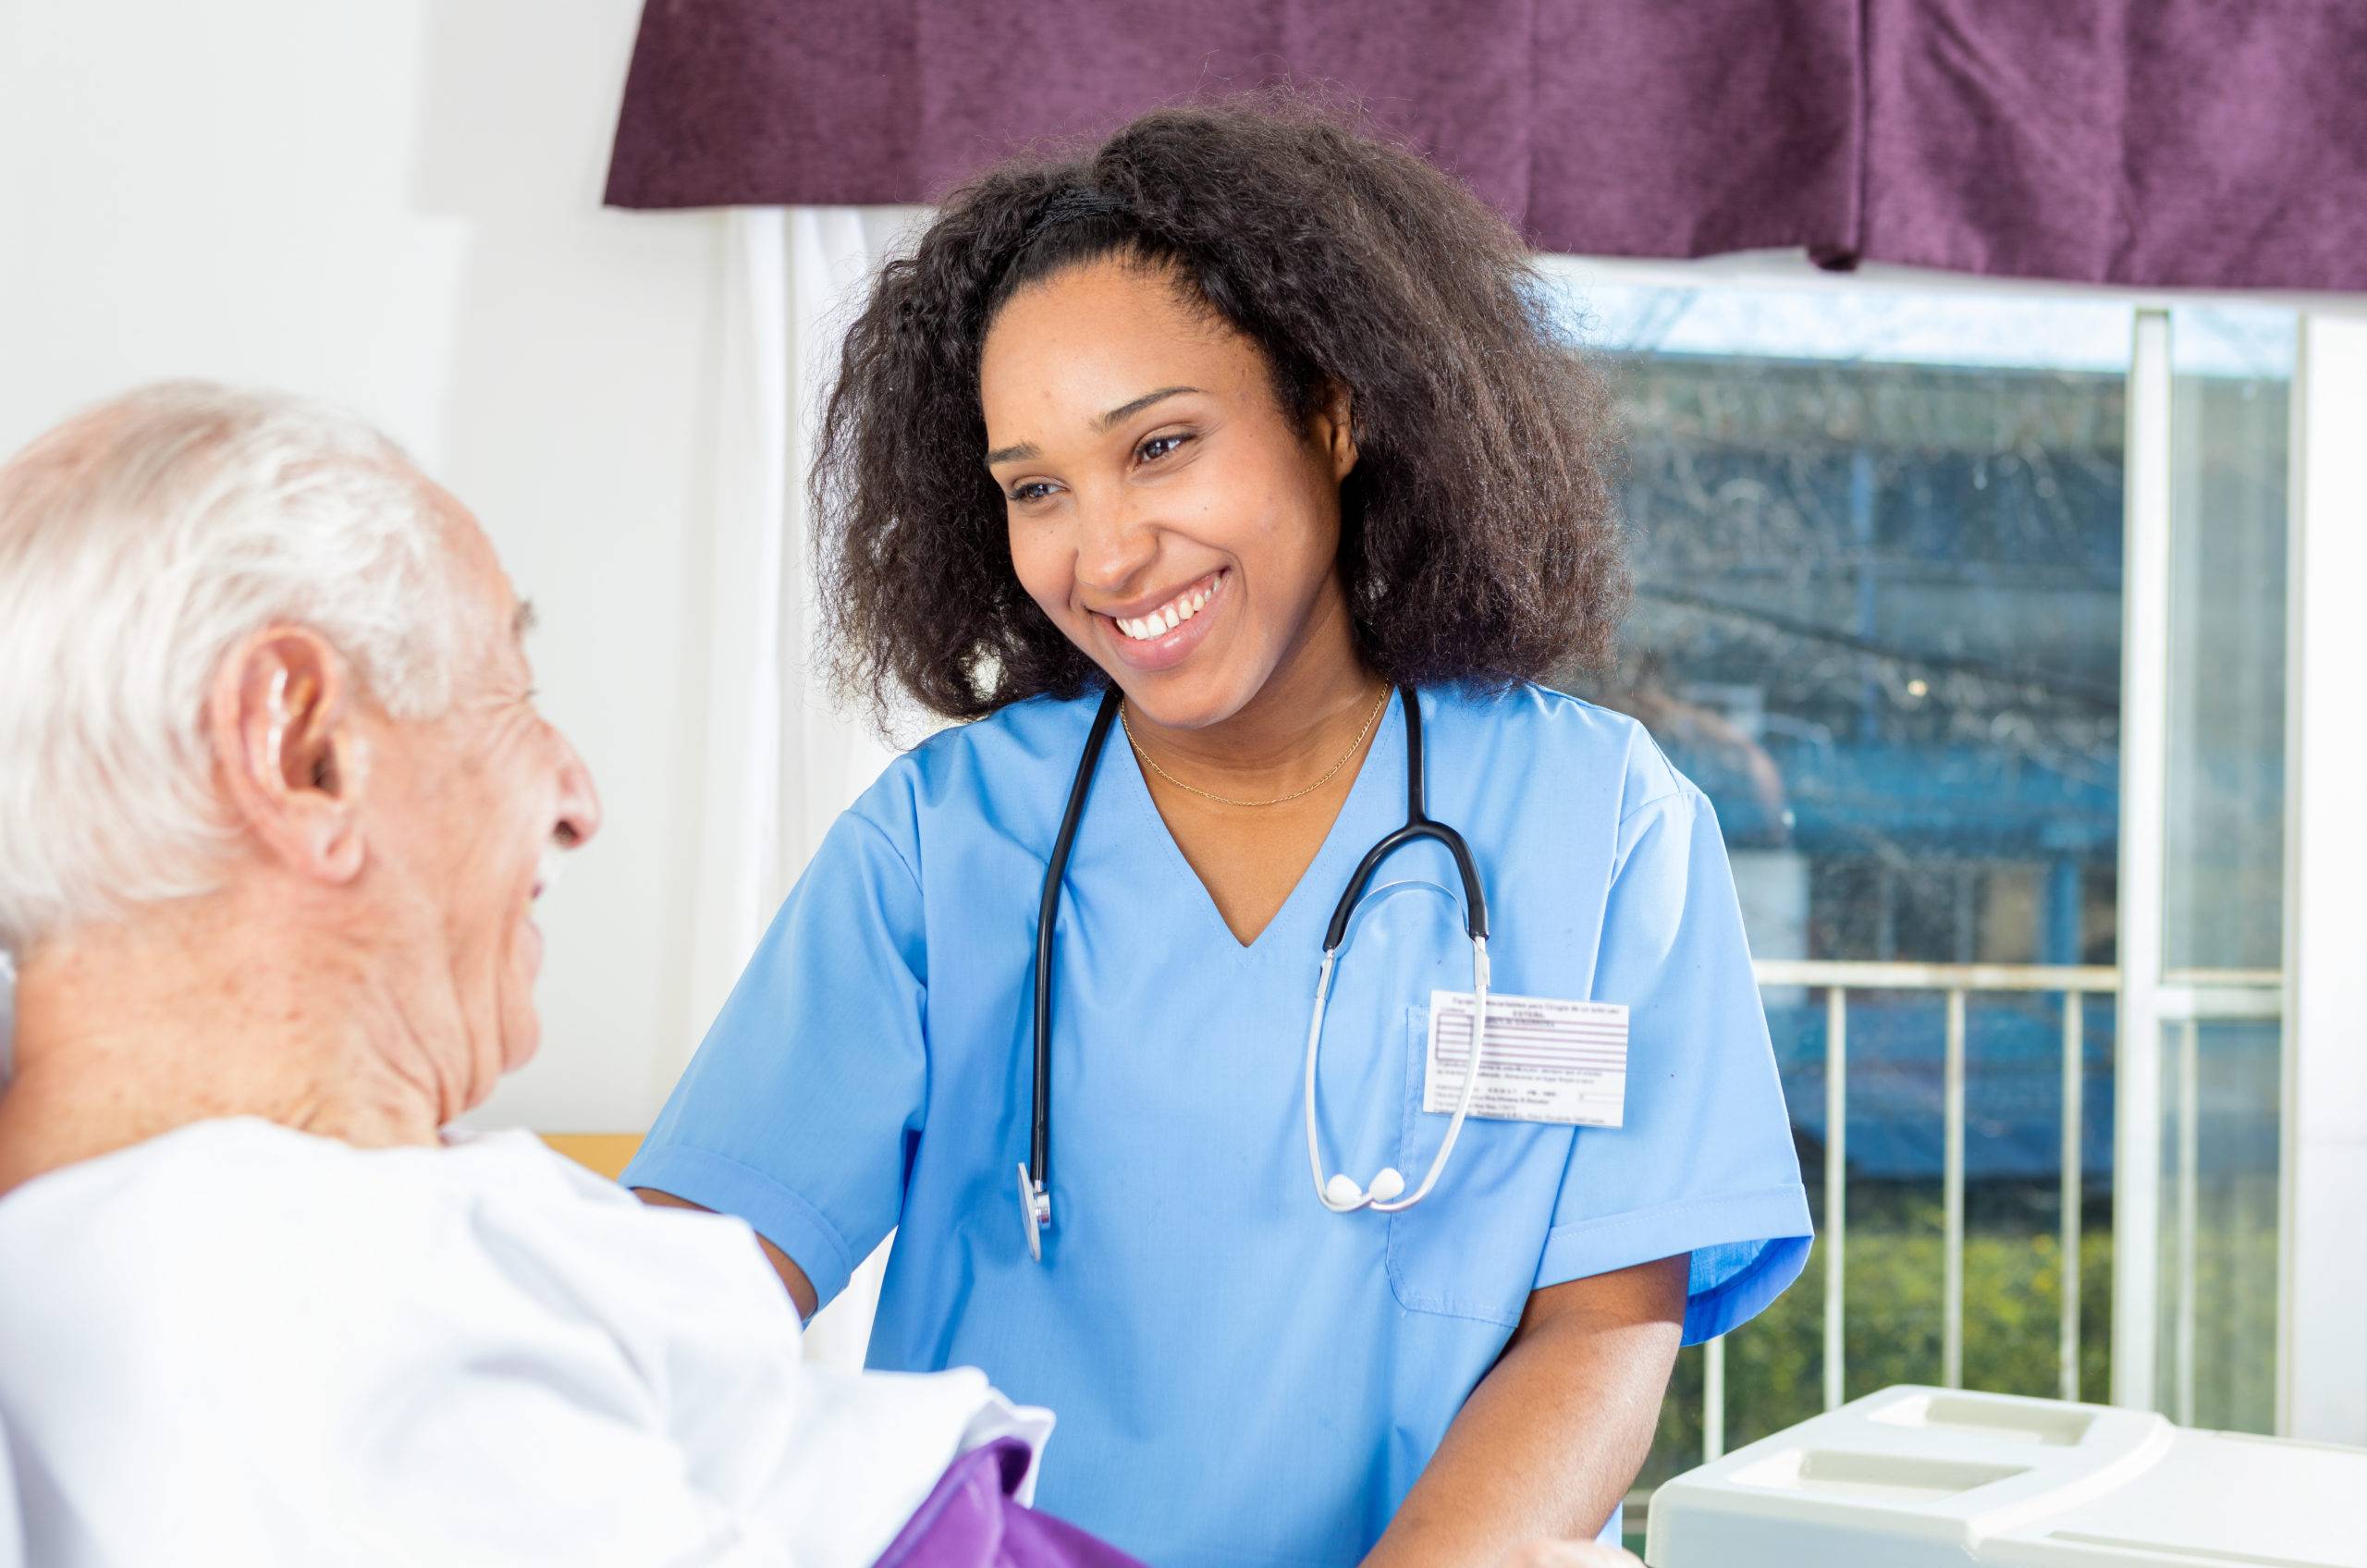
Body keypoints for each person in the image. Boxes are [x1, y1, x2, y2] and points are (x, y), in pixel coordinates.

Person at [627, 99, 1809, 1567]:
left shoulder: (1602, 827)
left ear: (1332, 410)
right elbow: (695, 1274)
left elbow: (1599, 1335)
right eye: (1036, 488)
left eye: (1162, 446)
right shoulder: (945, 844)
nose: (1105, 552)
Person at [0, 384, 1139, 1568]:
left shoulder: (127, 1265)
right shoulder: (331, 1305)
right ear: (305, 750)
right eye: (507, 689)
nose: (578, 798)